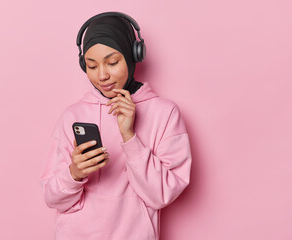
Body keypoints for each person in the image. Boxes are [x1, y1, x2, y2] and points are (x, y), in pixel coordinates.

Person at [39, 12, 192, 240]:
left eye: (112, 62)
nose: (102, 75)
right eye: (91, 66)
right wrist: (74, 173)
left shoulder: (165, 113)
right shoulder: (73, 115)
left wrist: (129, 136)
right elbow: (52, 198)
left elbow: (162, 195)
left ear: (134, 56)